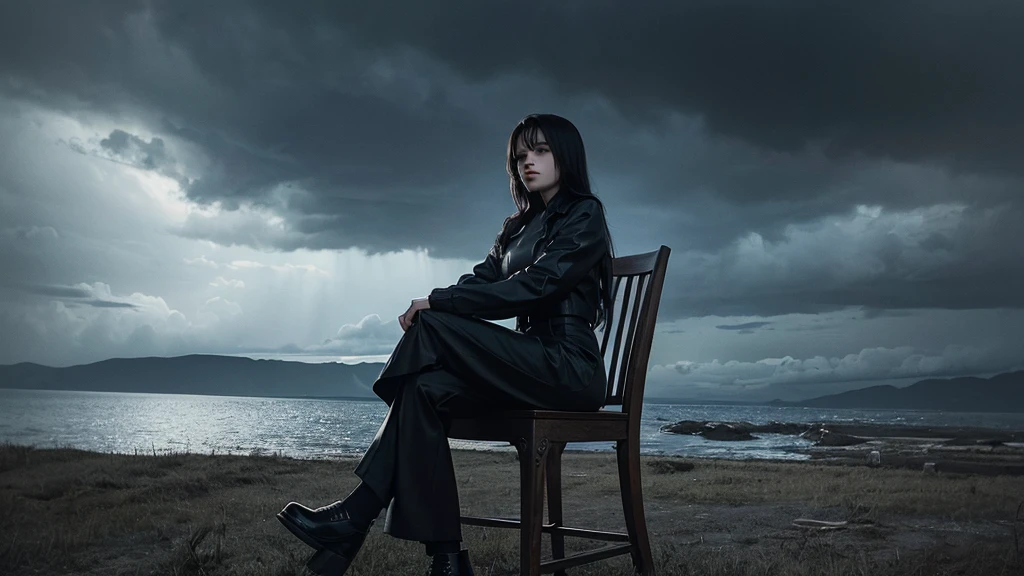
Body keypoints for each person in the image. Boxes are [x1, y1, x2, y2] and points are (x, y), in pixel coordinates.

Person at [277, 113, 616, 576]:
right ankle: (447, 559)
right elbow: (481, 281)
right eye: (520, 156)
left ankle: (355, 515)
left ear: (566, 155)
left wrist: (435, 303)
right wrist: (441, 301)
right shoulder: (517, 229)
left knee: (432, 325)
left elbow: (534, 286)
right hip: (522, 363)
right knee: (423, 389)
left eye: (540, 151)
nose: (527, 163)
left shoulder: (584, 214)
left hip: (568, 368)